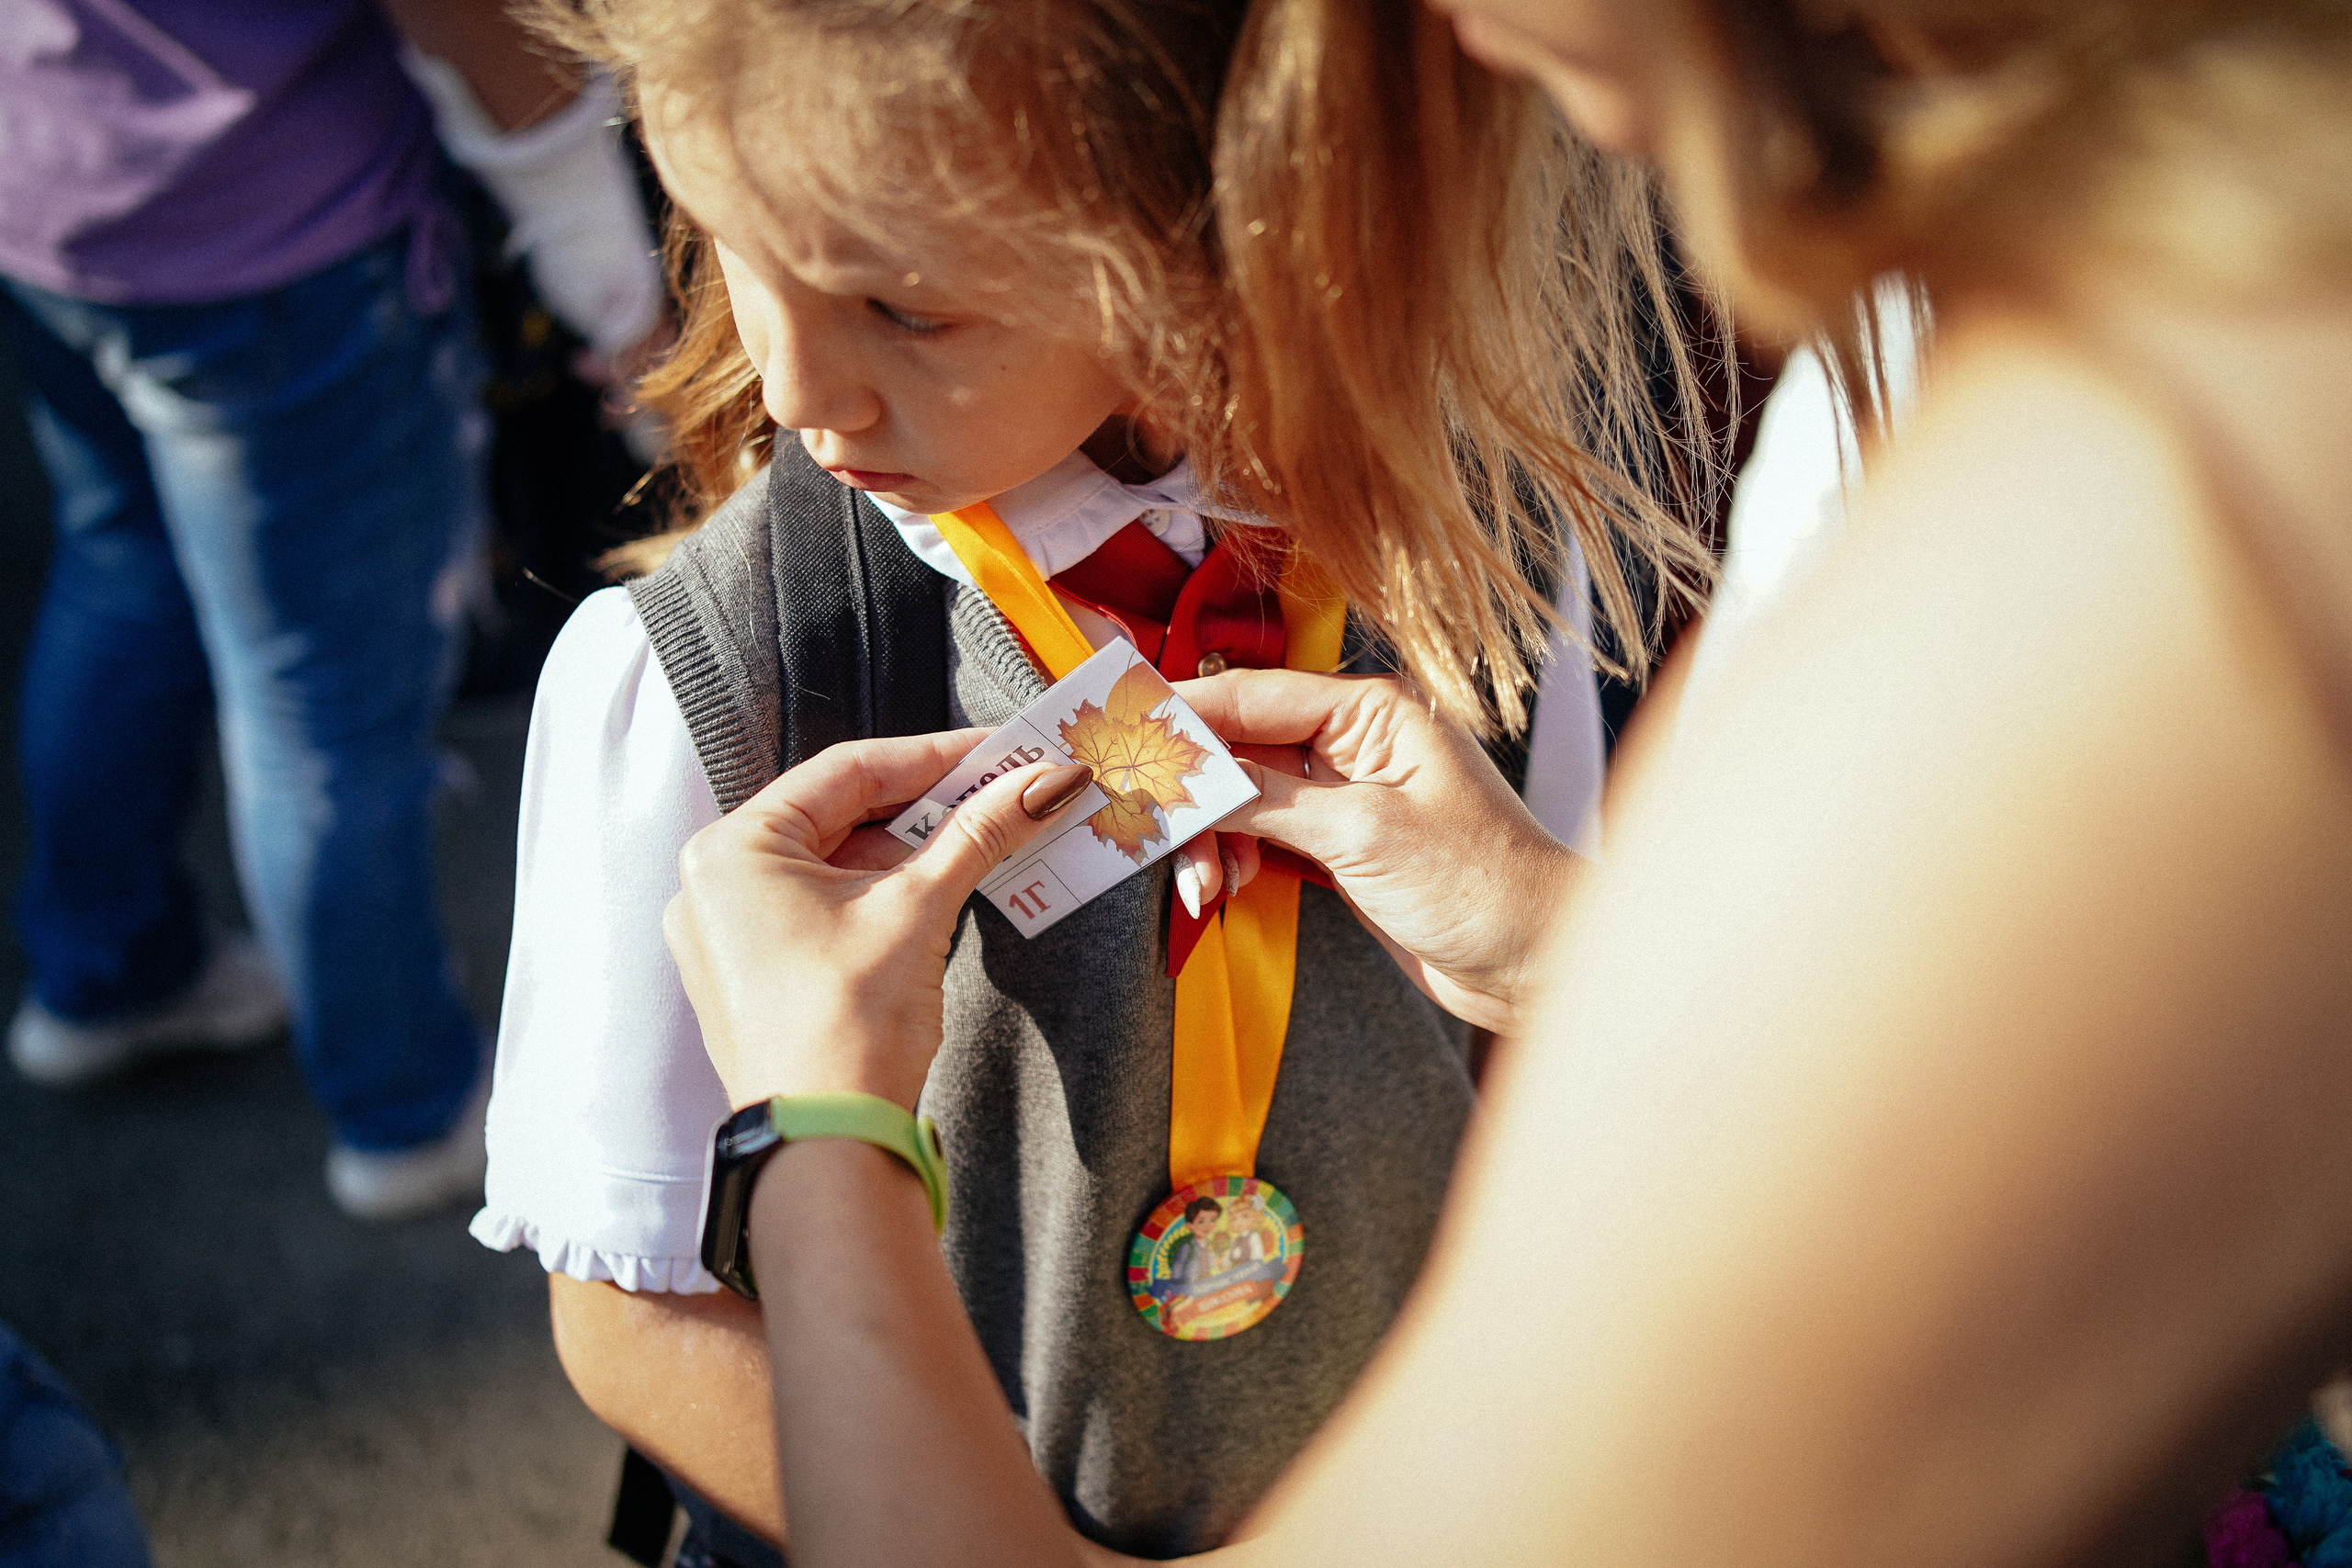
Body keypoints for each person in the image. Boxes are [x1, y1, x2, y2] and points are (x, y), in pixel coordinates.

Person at [657, 0, 2352, 1563]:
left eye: (911, 299)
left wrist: (816, 1133)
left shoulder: (2149, 535)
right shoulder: (2079, 365)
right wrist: (1562, 947)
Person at [470, 0, 1719, 1558]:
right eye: (720, 235)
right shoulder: (711, 672)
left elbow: (1549, 1083)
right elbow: (638, 1322)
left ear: (1205, 225)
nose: (796, 388)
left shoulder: (1501, 540)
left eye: (903, 308)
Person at [0, 0, 660, 1219]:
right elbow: (476, 26)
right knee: (325, 714)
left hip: (45, 193)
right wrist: (625, 301)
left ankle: (110, 969)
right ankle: (405, 1106)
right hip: (276, 243)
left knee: (123, 563)